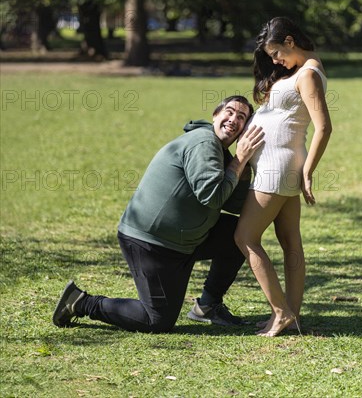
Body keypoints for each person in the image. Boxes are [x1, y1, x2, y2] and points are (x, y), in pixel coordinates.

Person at [53, 96, 264, 333]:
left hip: (183, 242)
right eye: (229, 111)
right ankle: (81, 302)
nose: (233, 119)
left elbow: (234, 205)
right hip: (151, 244)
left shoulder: (221, 153)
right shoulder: (203, 142)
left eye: (241, 117)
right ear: (215, 115)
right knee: (157, 320)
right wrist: (240, 159)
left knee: (240, 233)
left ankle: (207, 306)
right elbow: (212, 197)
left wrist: (242, 165)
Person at [234, 17, 332, 337]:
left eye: (276, 53)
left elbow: (324, 127)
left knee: (245, 237)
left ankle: (281, 313)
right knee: (290, 241)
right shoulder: (300, 72)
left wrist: (308, 171)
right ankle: (293, 315)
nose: (275, 60)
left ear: (290, 42)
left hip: (278, 168)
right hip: (279, 164)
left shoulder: (307, 75)